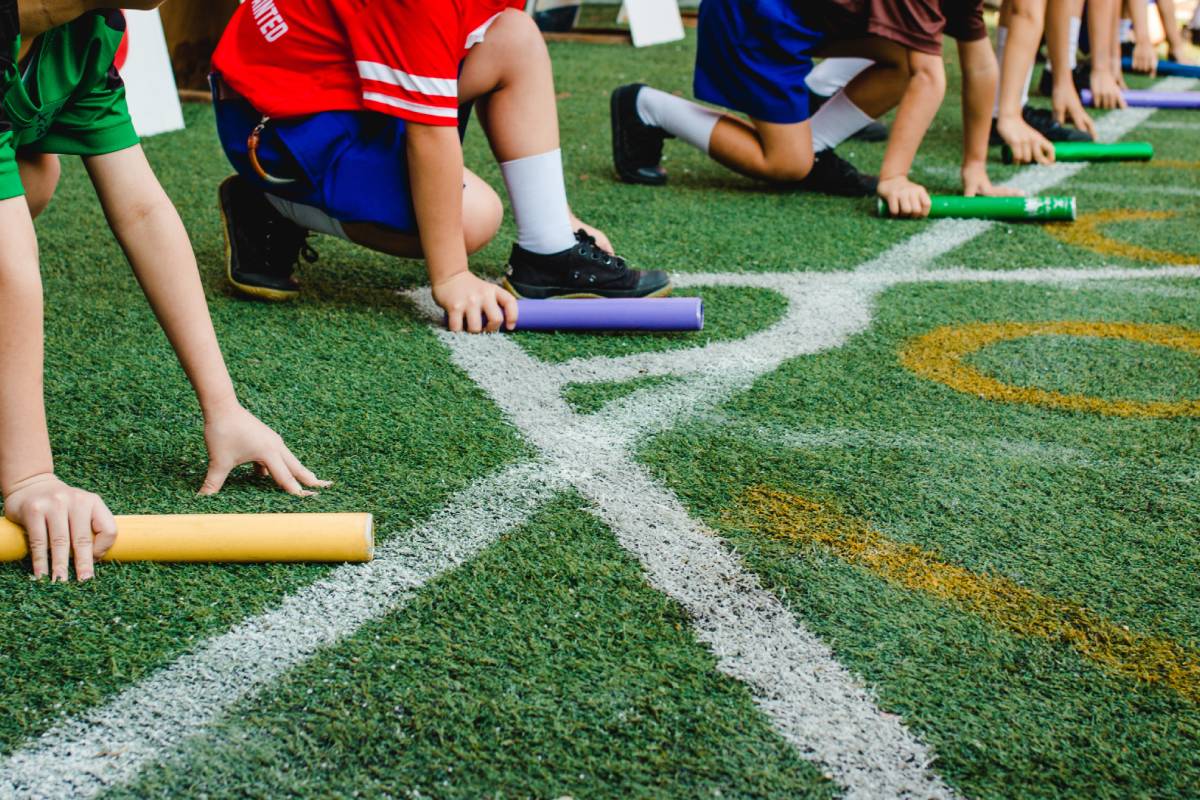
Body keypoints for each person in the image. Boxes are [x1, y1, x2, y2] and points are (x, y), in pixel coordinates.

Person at [0, 0, 328, 582]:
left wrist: (223, 407)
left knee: (32, 177)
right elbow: (9, 267)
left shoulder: (89, 31)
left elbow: (144, 210)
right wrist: (31, 478)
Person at [210, 0, 671, 335]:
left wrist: (558, 217)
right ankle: (268, 202)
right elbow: (427, 128)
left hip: (337, 92)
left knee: (513, 36)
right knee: (472, 219)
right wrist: (450, 275)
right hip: (277, 127)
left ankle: (548, 249)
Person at [612, 0, 1016, 216]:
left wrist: (975, 167)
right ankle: (647, 107)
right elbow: (929, 75)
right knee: (786, 165)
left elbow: (979, 63)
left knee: (902, 63)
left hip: (799, 19)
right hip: (757, 18)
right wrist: (894, 177)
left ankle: (816, 149)